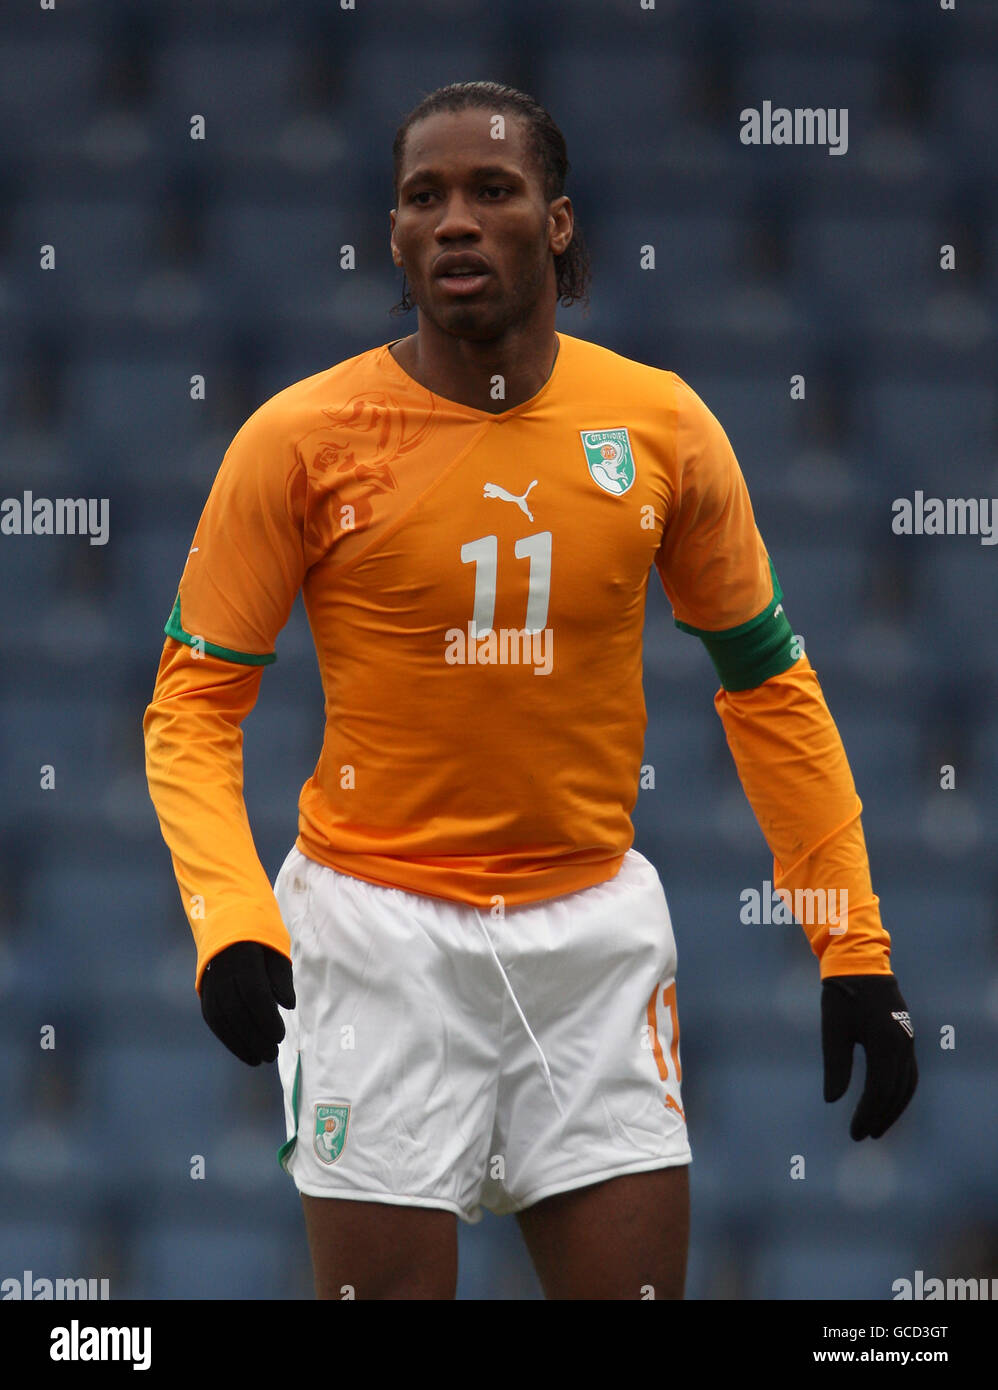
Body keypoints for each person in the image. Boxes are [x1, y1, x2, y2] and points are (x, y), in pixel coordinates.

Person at [143, 81, 917, 1300]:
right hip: (372, 934)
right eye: (422, 197)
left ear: (555, 223)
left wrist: (851, 945)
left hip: (590, 940)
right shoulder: (299, 439)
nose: (454, 219)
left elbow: (768, 688)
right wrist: (231, 921)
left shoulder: (661, 428)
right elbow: (190, 707)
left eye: (490, 190)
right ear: (395, 236)